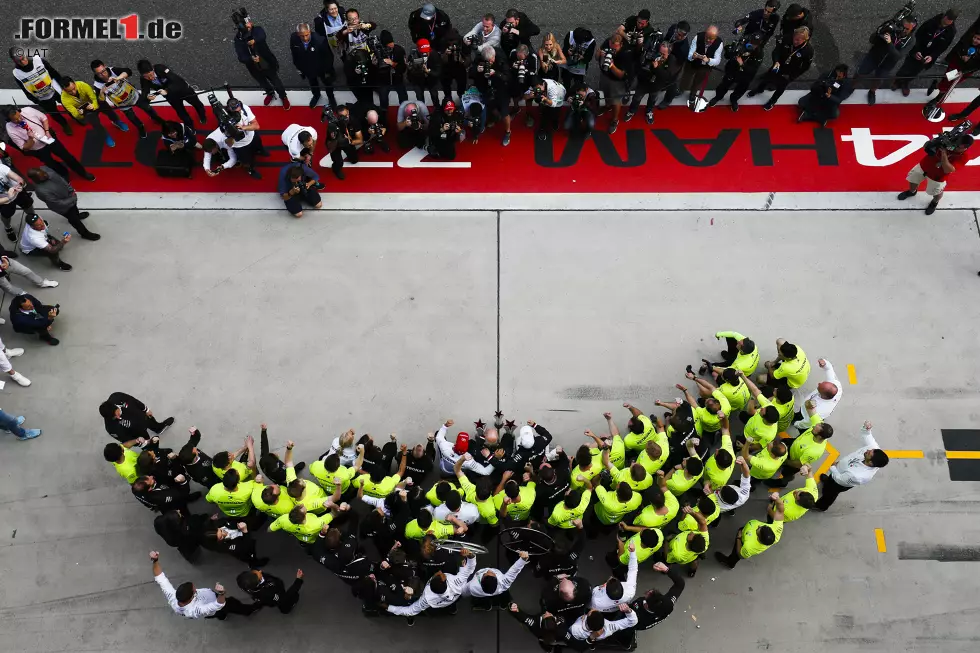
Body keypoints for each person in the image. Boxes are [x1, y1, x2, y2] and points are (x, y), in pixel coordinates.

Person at [149, 551, 258, 619]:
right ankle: (248, 611)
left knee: (219, 614)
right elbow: (218, 604)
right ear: (192, 597)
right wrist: (221, 593)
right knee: (231, 604)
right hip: (214, 603)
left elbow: (160, 577)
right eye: (194, 590)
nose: (196, 588)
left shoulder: (173, 597)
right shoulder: (195, 610)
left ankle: (221, 616)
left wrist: (155, 561)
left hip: (210, 604)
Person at [3, 106, 94, 182]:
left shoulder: (28, 110)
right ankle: (64, 173)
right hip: (38, 150)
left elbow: (44, 118)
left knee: (67, 156)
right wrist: (30, 138)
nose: (19, 119)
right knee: (51, 163)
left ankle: (82, 172)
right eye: (15, 120)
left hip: (49, 139)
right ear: (9, 120)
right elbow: (24, 147)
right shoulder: (11, 129)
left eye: (19, 116)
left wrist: (47, 131)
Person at [386, 547, 476, 622]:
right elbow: (470, 567)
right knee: (453, 604)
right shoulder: (458, 580)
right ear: (445, 580)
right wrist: (469, 555)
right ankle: (453, 610)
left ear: (429, 584)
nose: (440, 572)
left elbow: (410, 611)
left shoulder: (427, 598)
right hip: (453, 597)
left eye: (438, 574)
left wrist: (388, 607)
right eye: (441, 574)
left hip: (439, 603)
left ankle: (450, 609)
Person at [815, 420, 888, 511]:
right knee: (830, 482)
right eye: (871, 450)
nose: (868, 450)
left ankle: (822, 506)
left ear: (870, 463)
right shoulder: (873, 449)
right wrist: (867, 429)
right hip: (838, 470)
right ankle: (827, 483)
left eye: (869, 453)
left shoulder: (858, 476)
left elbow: (840, 479)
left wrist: (833, 468)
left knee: (831, 493)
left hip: (839, 482)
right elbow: (867, 436)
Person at [898, 134, 973, 215]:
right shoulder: (946, 142)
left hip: (937, 176)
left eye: (957, 146)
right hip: (924, 166)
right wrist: (935, 141)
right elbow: (926, 147)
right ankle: (912, 192)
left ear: (964, 147)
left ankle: (934, 202)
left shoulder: (964, 157)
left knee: (936, 192)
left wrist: (944, 155)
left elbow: (948, 170)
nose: (953, 146)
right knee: (913, 179)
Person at [892, 9, 959, 96]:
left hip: (928, 56)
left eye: (951, 21)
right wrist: (916, 50)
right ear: (945, 16)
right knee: (906, 66)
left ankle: (905, 82)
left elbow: (942, 48)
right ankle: (897, 80)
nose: (948, 22)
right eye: (948, 19)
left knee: (915, 71)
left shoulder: (951, 32)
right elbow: (918, 36)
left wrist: (932, 56)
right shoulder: (932, 22)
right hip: (918, 50)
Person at [90, 60, 163, 138]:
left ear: (105, 66)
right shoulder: (97, 85)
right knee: (132, 118)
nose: (103, 74)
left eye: (103, 71)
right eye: (99, 73)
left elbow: (128, 71)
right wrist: (101, 92)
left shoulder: (113, 70)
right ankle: (141, 127)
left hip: (134, 96)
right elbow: (101, 101)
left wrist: (118, 78)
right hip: (123, 105)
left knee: (148, 108)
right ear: (95, 73)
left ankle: (155, 118)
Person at [767, 401, 833, 488]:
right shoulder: (818, 424)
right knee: (783, 441)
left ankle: (783, 482)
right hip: (794, 444)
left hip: (793, 459)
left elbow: (798, 464)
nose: (812, 427)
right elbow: (808, 407)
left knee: (787, 472)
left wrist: (786, 461)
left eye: (814, 429)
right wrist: (810, 403)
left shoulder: (813, 451)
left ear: (820, 437)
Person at [856, 12, 918, 104]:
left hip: (887, 65)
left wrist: (889, 43)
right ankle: (852, 86)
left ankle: (872, 92)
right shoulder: (891, 28)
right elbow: (872, 40)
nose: (903, 30)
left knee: (878, 80)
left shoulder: (911, 41)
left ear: (912, 30)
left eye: (907, 29)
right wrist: (879, 32)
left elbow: (898, 56)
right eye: (902, 26)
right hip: (874, 56)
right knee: (861, 72)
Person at [233, 9, 290, 109]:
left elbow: (262, 36)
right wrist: (250, 58)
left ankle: (283, 96)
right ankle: (270, 93)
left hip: (266, 63)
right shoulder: (238, 39)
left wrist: (254, 41)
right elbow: (241, 56)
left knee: (276, 81)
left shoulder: (257, 30)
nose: (250, 24)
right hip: (253, 66)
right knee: (262, 82)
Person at [748, 26, 813, 110]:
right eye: (794, 38)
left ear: (805, 39)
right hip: (778, 65)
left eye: (798, 40)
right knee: (767, 77)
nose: (794, 41)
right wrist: (776, 61)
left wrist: (792, 76)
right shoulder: (787, 38)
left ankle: (772, 101)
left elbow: (805, 67)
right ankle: (759, 89)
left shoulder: (808, 51)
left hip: (789, 72)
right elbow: (776, 50)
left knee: (781, 87)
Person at [25, 167, 100, 240]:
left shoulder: (45, 169)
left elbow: (61, 180)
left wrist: (71, 191)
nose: (46, 175)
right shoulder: (41, 191)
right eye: (42, 176)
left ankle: (77, 215)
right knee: (74, 220)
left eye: (44, 173)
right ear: (37, 179)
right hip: (64, 208)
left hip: (69, 197)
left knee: (74, 210)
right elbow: (57, 203)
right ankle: (84, 234)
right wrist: (72, 199)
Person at [9, 49, 72, 134]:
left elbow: (54, 73)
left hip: (55, 90)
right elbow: (25, 91)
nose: (23, 62)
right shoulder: (17, 73)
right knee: (55, 114)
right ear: (14, 61)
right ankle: (65, 125)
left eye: (23, 58)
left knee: (69, 104)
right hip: (43, 99)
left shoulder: (38, 60)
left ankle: (75, 117)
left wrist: (64, 86)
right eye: (19, 61)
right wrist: (38, 102)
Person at [715, 494, 785, 568]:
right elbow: (781, 511)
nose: (759, 526)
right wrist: (777, 498)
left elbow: (740, 555)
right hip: (746, 531)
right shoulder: (777, 529)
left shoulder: (749, 547)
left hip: (742, 538)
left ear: (758, 538)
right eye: (762, 526)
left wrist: (739, 538)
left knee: (735, 555)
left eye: (759, 529)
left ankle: (730, 563)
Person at [59, 76, 128, 148]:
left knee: (106, 107)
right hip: (85, 112)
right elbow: (76, 115)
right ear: (64, 90)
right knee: (95, 123)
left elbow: (94, 98)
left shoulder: (83, 85)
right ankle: (105, 135)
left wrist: (94, 106)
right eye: (69, 91)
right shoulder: (64, 99)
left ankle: (116, 121)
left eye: (74, 88)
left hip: (93, 103)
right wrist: (80, 113)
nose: (73, 92)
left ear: (74, 83)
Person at [137, 60, 208, 127]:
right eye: (147, 77)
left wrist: (167, 90)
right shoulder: (143, 79)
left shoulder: (161, 68)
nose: (150, 78)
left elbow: (176, 80)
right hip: (171, 97)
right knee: (181, 113)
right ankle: (190, 126)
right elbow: (145, 90)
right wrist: (147, 96)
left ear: (152, 69)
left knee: (197, 104)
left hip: (183, 90)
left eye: (151, 74)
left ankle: (202, 116)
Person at [710, 30, 767, 112]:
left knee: (741, 89)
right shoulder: (742, 43)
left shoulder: (759, 53)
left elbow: (753, 68)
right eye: (752, 41)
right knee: (724, 85)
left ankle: (734, 99)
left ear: (760, 43)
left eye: (755, 43)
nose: (752, 44)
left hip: (746, 75)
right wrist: (730, 51)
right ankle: (718, 97)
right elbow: (728, 55)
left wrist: (742, 64)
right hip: (733, 70)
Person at [627, 41, 681, 123]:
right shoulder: (651, 54)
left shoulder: (672, 60)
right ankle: (631, 111)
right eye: (660, 52)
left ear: (669, 53)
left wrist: (657, 68)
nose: (660, 56)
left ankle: (649, 111)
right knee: (636, 98)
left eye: (663, 54)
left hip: (657, 85)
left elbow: (667, 76)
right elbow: (642, 67)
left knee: (653, 99)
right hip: (644, 83)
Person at [628, 562, 685, 633]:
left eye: (648, 595)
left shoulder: (641, 617)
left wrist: (627, 611)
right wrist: (666, 569)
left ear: (646, 605)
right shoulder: (668, 603)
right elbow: (680, 584)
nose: (649, 591)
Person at [291, 23, 337, 109]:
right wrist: (298, 66)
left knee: (327, 83)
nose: (305, 38)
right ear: (298, 34)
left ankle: (331, 97)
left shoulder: (320, 41)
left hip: (321, 67)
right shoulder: (294, 39)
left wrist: (328, 70)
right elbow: (294, 53)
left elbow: (328, 57)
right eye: (302, 36)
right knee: (312, 83)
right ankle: (316, 95)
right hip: (307, 68)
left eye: (307, 35)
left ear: (310, 32)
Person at [464, 550, 529, 610]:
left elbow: (464, 592)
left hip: (481, 594)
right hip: (501, 592)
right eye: (491, 573)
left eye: (486, 573)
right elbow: (514, 570)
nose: (489, 570)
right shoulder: (504, 583)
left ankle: (488, 607)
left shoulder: (472, 586)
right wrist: (523, 559)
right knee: (505, 597)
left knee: (483, 600)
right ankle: (503, 606)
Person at [99, 392, 174, 442]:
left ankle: (159, 428)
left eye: (117, 413)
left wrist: (146, 409)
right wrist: (137, 441)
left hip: (143, 416)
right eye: (114, 417)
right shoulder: (111, 428)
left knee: (151, 421)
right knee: (148, 445)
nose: (118, 417)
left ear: (115, 406)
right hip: (138, 433)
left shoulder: (117, 396)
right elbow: (124, 439)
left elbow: (133, 400)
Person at [595, 34, 632, 134]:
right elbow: (596, 57)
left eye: (615, 48)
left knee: (616, 100)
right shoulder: (608, 42)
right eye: (611, 47)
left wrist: (612, 66)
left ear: (621, 45)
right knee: (606, 94)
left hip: (617, 82)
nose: (612, 49)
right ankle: (607, 106)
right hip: (605, 76)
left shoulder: (626, 54)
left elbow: (621, 75)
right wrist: (599, 54)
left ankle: (615, 120)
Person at [792, 358, 842, 431]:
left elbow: (807, 423)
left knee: (800, 422)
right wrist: (825, 364)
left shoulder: (818, 411)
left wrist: (797, 424)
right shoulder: (834, 385)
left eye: (820, 386)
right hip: (805, 408)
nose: (819, 383)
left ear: (823, 395)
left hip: (805, 415)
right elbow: (829, 369)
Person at [684, 26, 724, 109]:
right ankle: (681, 89)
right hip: (693, 63)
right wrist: (692, 56)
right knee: (686, 77)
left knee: (698, 81)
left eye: (711, 38)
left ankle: (692, 94)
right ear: (705, 34)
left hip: (705, 67)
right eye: (707, 37)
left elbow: (717, 60)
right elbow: (690, 54)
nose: (708, 40)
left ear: (716, 37)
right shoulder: (697, 37)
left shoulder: (719, 43)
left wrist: (709, 60)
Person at [567, 604, 639, 648]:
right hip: (595, 638)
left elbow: (574, 640)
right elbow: (633, 621)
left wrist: (584, 615)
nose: (592, 610)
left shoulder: (575, 628)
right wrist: (628, 611)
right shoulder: (610, 627)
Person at [374, 30, 409, 117]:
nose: (391, 44)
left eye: (391, 42)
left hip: (397, 78)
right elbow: (375, 70)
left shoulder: (399, 50)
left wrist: (392, 64)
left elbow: (403, 67)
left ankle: (406, 112)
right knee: (383, 99)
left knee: (403, 97)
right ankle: (384, 115)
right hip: (384, 80)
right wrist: (375, 63)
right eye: (388, 43)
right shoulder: (378, 52)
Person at [237, 568, 304, 614]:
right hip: (274, 595)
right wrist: (298, 580)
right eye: (259, 575)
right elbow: (283, 598)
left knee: (261, 601)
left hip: (259, 596)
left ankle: (257, 605)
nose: (260, 571)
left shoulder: (242, 581)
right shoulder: (269, 592)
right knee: (285, 607)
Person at [592, 545, 638, 611]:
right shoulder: (630, 591)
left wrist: (599, 588)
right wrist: (633, 552)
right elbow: (633, 569)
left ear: (605, 588)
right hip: (614, 609)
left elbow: (594, 591)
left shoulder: (596, 601)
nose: (611, 577)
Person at [0, 162, 37, 243]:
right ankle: (7, 227)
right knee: (6, 215)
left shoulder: (1, 168)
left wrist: (19, 185)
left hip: (18, 193)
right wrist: (9, 198)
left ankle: (33, 219)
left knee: (28, 205)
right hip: (4, 201)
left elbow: (19, 179)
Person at [325, 104, 363, 180]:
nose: (345, 118)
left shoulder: (354, 121)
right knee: (338, 162)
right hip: (335, 143)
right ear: (338, 116)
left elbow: (360, 140)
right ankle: (336, 170)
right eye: (342, 117)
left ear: (348, 112)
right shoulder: (333, 125)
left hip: (347, 141)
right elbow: (330, 141)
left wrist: (350, 141)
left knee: (354, 160)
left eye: (346, 116)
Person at [406, 38, 443, 107]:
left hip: (431, 79)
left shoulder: (434, 55)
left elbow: (438, 72)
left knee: (434, 95)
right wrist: (412, 68)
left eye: (427, 51)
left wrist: (428, 71)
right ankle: (422, 109)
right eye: (423, 52)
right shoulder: (413, 56)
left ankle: (437, 109)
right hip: (419, 79)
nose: (425, 54)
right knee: (419, 96)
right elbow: (410, 72)